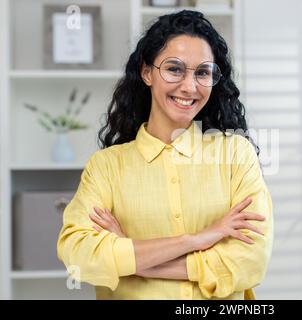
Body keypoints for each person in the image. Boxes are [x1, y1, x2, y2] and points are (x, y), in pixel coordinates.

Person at [57, 10, 273, 300]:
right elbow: (78, 256)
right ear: (147, 73)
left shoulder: (235, 153)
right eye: (174, 69)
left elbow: (249, 261)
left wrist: (135, 258)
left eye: (202, 72)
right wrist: (197, 240)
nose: (189, 86)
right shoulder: (107, 167)